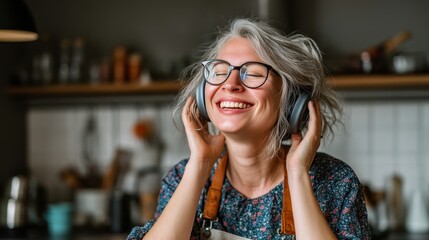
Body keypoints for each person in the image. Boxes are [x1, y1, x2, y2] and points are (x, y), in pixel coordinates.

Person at [127, 18, 371, 240]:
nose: (230, 84)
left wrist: (298, 174)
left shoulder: (336, 182)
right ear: (203, 97)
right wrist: (200, 163)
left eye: (253, 74)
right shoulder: (184, 178)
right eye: (219, 72)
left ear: (290, 101)